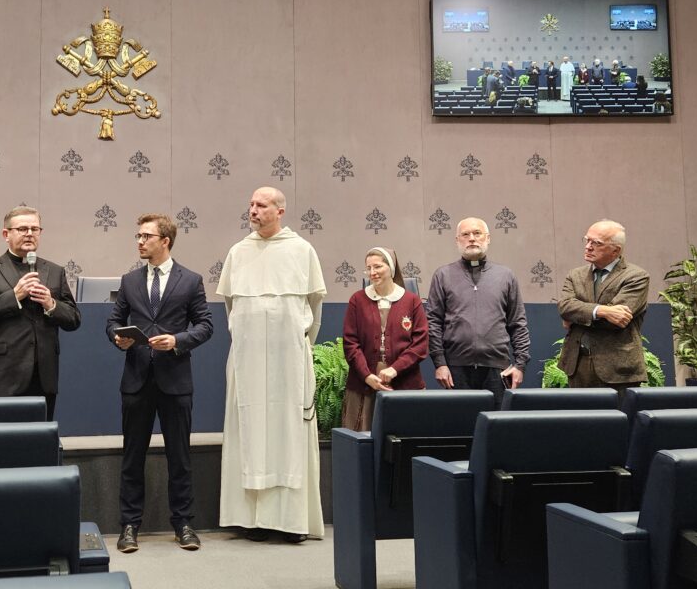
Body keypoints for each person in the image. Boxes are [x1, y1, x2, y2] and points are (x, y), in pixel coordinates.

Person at [218, 186, 326, 543]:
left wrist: (295, 341)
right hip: (247, 358)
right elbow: (231, 308)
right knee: (248, 427)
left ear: (280, 211)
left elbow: (313, 308)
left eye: (261, 205)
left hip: (288, 361)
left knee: (287, 431)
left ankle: (290, 521)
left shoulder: (301, 250)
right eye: (250, 204)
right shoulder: (238, 252)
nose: (253, 210)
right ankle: (252, 519)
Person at [107, 214, 213, 554]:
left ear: (165, 240)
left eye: (146, 236)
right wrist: (117, 338)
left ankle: (183, 523)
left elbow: (206, 325)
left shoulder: (191, 280)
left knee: (179, 457)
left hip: (175, 380)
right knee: (132, 456)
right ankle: (129, 526)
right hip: (136, 379)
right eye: (138, 235)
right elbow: (113, 321)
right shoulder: (129, 280)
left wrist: (178, 340)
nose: (139, 241)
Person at [0, 205, 80, 420]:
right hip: (0, 378)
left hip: (43, 377)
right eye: (22, 229)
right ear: (6, 234)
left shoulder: (54, 271)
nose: (29, 234)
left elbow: (73, 319)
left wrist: (51, 303)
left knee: (37, 445)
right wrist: (14, 295)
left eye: (35, 229)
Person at [426, 217, 530, 410]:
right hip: (455, 370)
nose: (472, 239)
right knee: (461, 431)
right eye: (465, 235)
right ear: (457, 240)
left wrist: (520, 364)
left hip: (498, 370)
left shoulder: (505, 275)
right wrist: (439, 363)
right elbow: (433, 323)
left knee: (497, 431)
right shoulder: (443, 275)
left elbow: (518, 323)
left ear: (488, 238)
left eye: (477, 233)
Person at [341, 248, 429, 432]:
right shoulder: (357, 300)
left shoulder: (412, 301)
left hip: (405, 385)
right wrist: (367, 376)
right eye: (368, 268)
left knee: (403, 440)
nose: (372, 273)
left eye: (378, 266)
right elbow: (351, 343)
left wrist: (394, 370)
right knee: (363, 443)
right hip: (363, 386)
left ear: (391, 268)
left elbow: (420, 345)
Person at [557, 220, 648, 397]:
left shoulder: (636, 276)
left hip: (618, 369)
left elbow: (618, 321)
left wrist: (577, 317)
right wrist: (603, 311)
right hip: (578, 365)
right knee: (581, 423)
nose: (588, 247)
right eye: (587, 240)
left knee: (617, 422)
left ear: (616, 250)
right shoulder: (575, 275)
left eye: (596, 243)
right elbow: (565, 307)